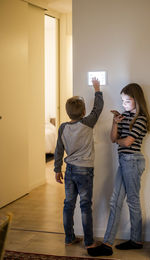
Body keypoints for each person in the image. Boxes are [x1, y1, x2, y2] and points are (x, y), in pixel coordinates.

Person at [87, 83, 150, 257]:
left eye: (128, 101)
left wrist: (120, 141)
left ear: (137, 100)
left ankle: (136, 240)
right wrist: (115, 123)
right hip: (124, 161)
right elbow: (113, 138)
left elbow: (128, 142)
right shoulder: (123, 116)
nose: (124, 104)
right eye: (122, 100)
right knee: (115, 201)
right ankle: (108, 244)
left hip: (133, 161)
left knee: (132, 201)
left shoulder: (141, 118)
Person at [54, 78, 104, 248]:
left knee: (68, 204)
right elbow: (98, 109)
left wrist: (56, 169)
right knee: (85, 206)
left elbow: (58, 150)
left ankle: (69, 238)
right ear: (83, 112)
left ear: (68, 113)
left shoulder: (62, 127)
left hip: (69, 170)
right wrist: (97, 89)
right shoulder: (87, 123)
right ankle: (89, 242)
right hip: (85, 171)